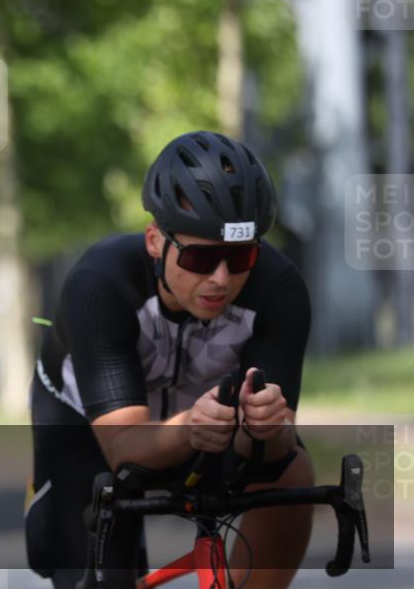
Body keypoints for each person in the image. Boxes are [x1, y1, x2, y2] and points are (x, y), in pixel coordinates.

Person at [26, 131, 314, 589]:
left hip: (201, 424)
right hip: (91, 427)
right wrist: (189, 429)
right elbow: (124, 450)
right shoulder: (99, 284)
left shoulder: (280, 290)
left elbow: (269, 457)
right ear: (156, 241)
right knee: (89, 558)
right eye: (201, 257)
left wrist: (269, 430)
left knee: (293, 474)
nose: (221, 277)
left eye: (241, 256)